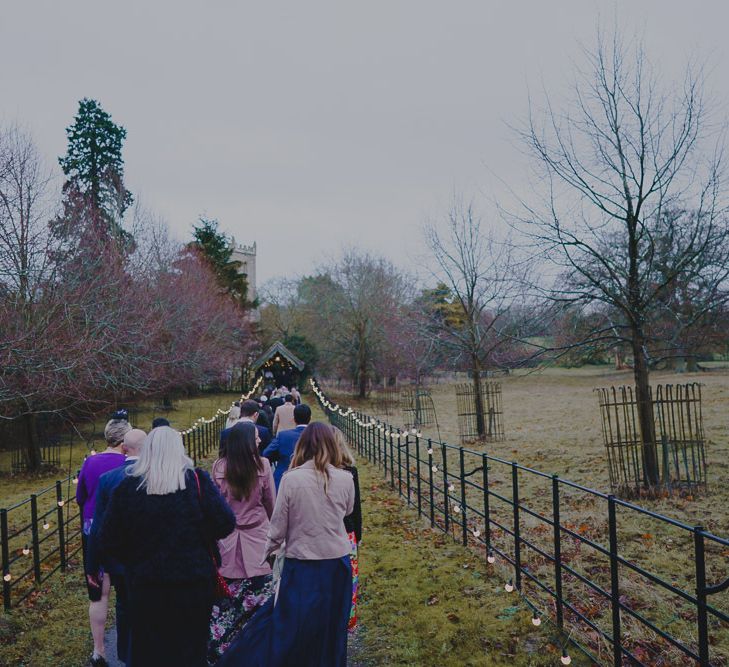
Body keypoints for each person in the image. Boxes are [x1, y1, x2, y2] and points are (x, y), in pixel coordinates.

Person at [217, 422, 355, 667]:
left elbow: (278, 524)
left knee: (294, 622)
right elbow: (348, 510)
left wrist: (269, 549)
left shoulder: (292, 479)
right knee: (332, 622)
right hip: (336, 562)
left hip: (302, 561)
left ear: (303, 446)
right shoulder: (345, 478)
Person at [97, 426, 235, 667]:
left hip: (146, 584)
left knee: (149, 650)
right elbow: (225, 523)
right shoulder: (196, 482)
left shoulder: (129, 488)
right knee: (190, 650)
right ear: (178, 450)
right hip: (194, 582)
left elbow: (108, 538)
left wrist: (134, 559)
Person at [208, 423, 276, 663]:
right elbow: (271, 504)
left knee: (226, 603)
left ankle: (223, 650)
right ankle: (256, 651)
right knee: (261, 603)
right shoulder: (263, 466)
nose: (259, 441)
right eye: (256, 438)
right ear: (248, 442)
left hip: (226, 540)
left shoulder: (218, 467)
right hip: (257, 541)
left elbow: (213, 508)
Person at [86, 428, 147, 665]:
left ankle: (127, 654)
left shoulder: (108, 479)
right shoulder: (155, 475)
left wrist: (92, 565)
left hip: (119, 559)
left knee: (124, 605)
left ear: (124, 448)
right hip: (149, 556)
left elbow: (97, 526)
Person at [76, 416, 131, 667]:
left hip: (93, 533)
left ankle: (99, 651)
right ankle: (130, 647)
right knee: (127, 592)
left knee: (98, 595)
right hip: (122, 532)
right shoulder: (129, 463)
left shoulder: (90, 462)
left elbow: (81, 497)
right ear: (125, 440)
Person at [331, 426, 362, 632]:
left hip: (330, 531)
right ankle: (346, 620)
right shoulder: (349, 472)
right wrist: (357, 535)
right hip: (346, 531)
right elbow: (355, 508)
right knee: (349, 580)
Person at [263, 403, 311, 489]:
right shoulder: (316, 436)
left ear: (294, 419)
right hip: (310, 481)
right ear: (310, 419)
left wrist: (280, 455)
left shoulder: (283, 435)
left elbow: (267, 453)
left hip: (283, 477)